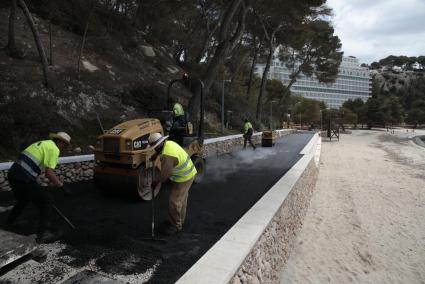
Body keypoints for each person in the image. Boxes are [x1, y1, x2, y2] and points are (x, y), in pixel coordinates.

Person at [6, 132, 71, 242]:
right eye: (65, 145)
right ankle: (42, 234)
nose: (64, 148)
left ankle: (9, 223)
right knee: (46, 201)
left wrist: (33, 180)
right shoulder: (54, 149)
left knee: (23, 199)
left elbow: (32, 163)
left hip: (13, 175)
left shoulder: (43, 144)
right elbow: (49, 173)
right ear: (60, 141)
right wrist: (62, 186)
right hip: (23, 178)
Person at [148, 133, 197, 235]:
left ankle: (176, 226)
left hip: (184, 177)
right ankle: (177, 220)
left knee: (174, 202)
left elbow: (165, 174)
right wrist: (156, 155)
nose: (154, 149)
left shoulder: (168, 156)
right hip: (185, 173)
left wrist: (155, 182)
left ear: (160, 144)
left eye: (155, 147)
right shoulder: (168, 143)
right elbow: (162, 151)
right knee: (181, 200)